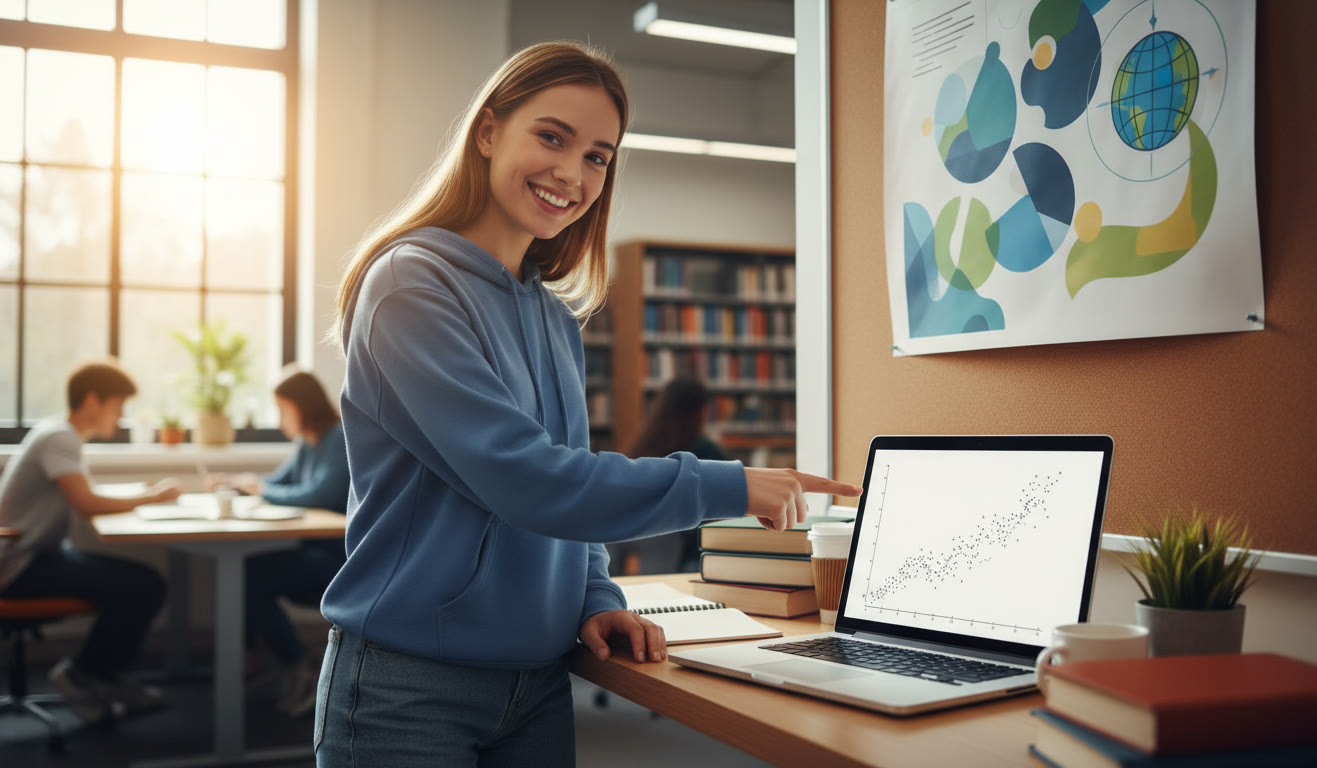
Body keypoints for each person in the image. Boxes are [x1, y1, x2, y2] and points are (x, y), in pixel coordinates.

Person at [316, 41, 861, 766]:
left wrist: (596, 597)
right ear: (487, 132)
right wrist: (727, 483)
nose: (571, 174)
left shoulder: (553, 318)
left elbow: (570, 488)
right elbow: (529, 480)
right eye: (551, 137)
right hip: (409, 687)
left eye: (599, 157)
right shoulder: (410, 287)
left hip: (538, 684)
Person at [0, 360, 180, 722]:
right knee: (144, 584)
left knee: (138, 582)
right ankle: (85, 675)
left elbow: (86, 492)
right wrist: (152, 498)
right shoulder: (61, 438)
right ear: (93, 401)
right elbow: (86, 503)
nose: (120, 416)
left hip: (31, 556)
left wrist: (139, 492)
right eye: (117, 406)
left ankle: (99, 677)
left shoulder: (58, 434)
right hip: (18, 566)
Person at [208, 366, 349, 717]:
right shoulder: (307, 443)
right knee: (245, 570)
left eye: (282, 409)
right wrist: (240, 484)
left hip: (337, 561)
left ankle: (296, 667)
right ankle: (259, 662)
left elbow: (317, 494)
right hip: (312, 553)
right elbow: (277, 483)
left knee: (248, 576)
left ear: (303, 406)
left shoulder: (338, 438)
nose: (279, 418)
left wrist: (262, 489)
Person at [608, 375, 727, 575]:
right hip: (684, 553)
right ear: (701, 411)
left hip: (635, 539)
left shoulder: (642, 445)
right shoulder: (703, 451)